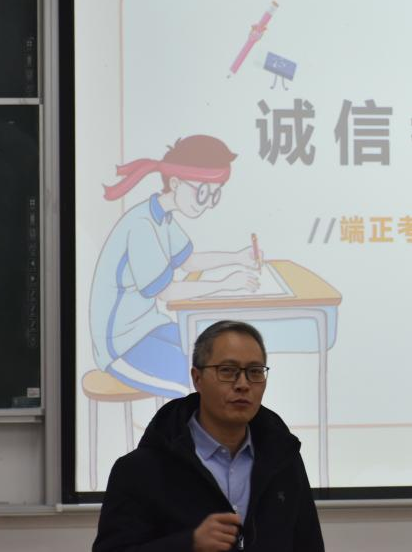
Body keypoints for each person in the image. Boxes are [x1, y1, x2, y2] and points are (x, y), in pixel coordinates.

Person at [93, 320, 325, 552]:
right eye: (228, 371)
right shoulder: (140, 470)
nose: (243, 384)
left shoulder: (282, 460)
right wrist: (188, 544)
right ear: (197, 379)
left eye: (255, 372)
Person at [90, 135, 260, 399]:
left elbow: (189, 261)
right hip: (121, 345)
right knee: (194, 377)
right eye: (202, 193)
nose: (206, 204)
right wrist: (225, 284)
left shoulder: (163, 218)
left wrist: (237, 258)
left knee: (211, 356)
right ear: (176, 183)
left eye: (213, 195)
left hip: (148, 328)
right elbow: (167, 292)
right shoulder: (142, 225)